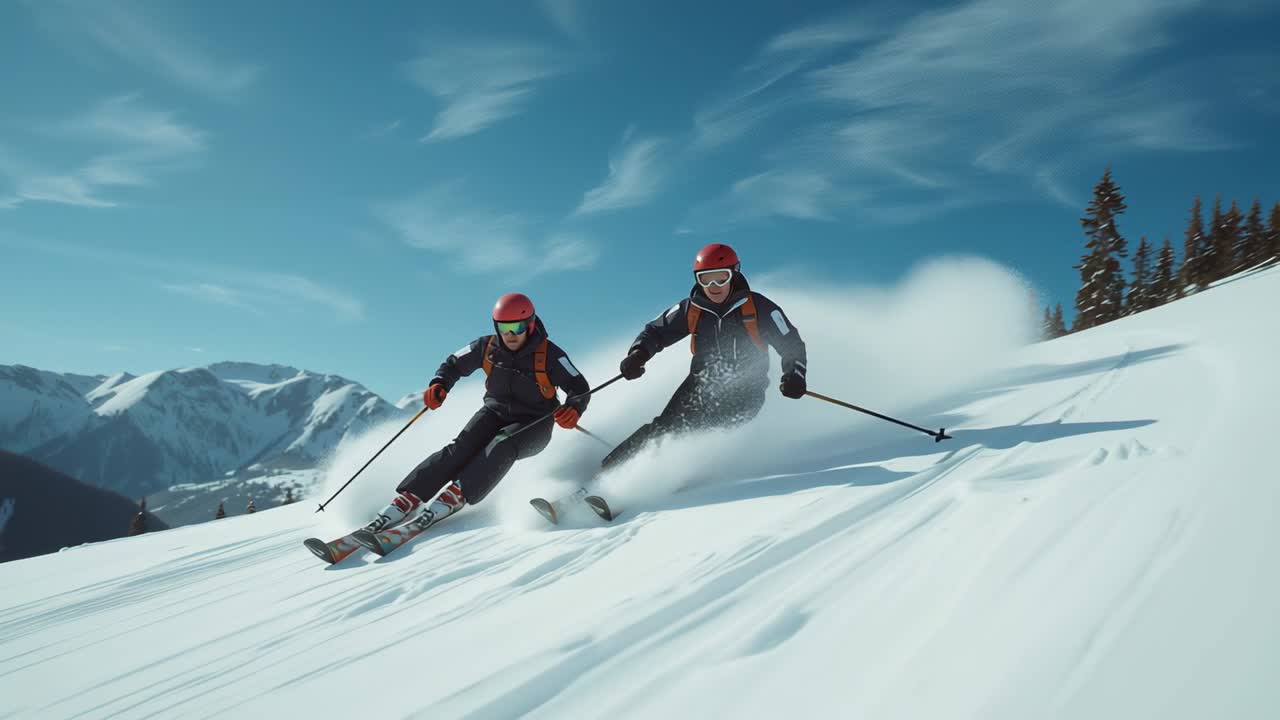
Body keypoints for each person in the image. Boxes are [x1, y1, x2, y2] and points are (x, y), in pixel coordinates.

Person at [361, 293, 591, 533]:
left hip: (535, 423)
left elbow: (579, 386)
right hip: (494, 413)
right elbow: (453, 363)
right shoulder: (487, 347)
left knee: (502, 443)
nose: (510, 334)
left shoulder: (551, 355)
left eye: (517, 327)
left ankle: (456, 494)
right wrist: (440, 383)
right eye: (504, 328)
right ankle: (408, 498)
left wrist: (573, 408)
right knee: (461, 447)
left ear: (530, 324)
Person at [601, 243, 808, 470]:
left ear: (734, 273)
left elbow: (791, 343)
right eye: (706, 279)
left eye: (721, 278)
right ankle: (608, 471)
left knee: (706, 432)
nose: (713, 286)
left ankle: (667, 475)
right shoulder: (691, 309)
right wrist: (638, 354)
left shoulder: (760, 308)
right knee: (665, 428)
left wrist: (795, 375)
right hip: (700, 384)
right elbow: (655, 332)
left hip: (747, 391)